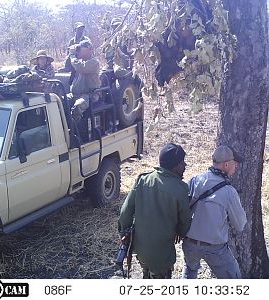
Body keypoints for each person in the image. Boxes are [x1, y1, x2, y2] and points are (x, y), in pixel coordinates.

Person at [118, 143, 191, 279]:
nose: (185, 166)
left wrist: (124, 234)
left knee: (146, 274)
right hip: (162, 256)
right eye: (182, 163)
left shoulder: (143, 180)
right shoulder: (181, 190)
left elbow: (125, 213)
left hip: (141, 251)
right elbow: (185, 222)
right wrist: (180, 232)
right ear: (174, 166)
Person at [182, 145, 247, 279]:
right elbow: (240, 225)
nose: (236, 167)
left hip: (190, 243)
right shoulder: (229, 192)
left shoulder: (195, 180)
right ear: (227, 164)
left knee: (190, 271)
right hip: (215, 248)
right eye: (235, 164)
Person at [69, 40, 101, 122]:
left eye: (80, 49)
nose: (78, 51)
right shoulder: (80, 61)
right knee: (59, 101)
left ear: (89, 49)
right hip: (76, 94)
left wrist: (72, 55)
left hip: (89, 95)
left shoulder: (94, 62)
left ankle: (74, 131)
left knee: (77, 107)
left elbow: (81, 68)